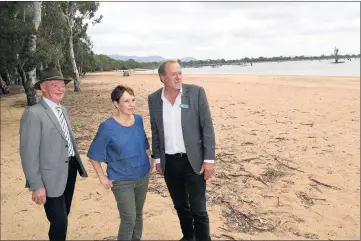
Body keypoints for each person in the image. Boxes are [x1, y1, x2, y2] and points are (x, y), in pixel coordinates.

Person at [148, 60, 216, 241]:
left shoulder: (196, 93)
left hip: (194, 161)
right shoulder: (154, 99)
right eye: (173, 74)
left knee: (199, 209)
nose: (178, 77)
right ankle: (188, 237)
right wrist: (158, 159)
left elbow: (207, 127)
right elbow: (155, 130)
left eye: (180, 72)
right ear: (162, 78)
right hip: (169, 162)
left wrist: (209, 159)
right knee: (180, 206)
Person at [19, 67, 88, 241]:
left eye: (62, 85)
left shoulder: (63, 110)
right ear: (43, 87)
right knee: (59, 222)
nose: (60, 88)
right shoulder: (33, 114)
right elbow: (28, 154)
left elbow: (67, 140)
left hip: (69, 170)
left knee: (63, 216)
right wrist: (36, 186)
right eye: (55, 85)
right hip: (49, 177)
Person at [87, 85, 154, 241]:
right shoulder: (107, 127)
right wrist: (102, 177)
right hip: (122, 180)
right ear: (116, 104)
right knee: (129, 219)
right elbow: (93, 155)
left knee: (138, 214)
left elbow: (144, 142)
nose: (131, 104)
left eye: (133, 100)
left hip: (142, 175)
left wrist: (150, 158)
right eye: (126, 101)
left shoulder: (138, 119)